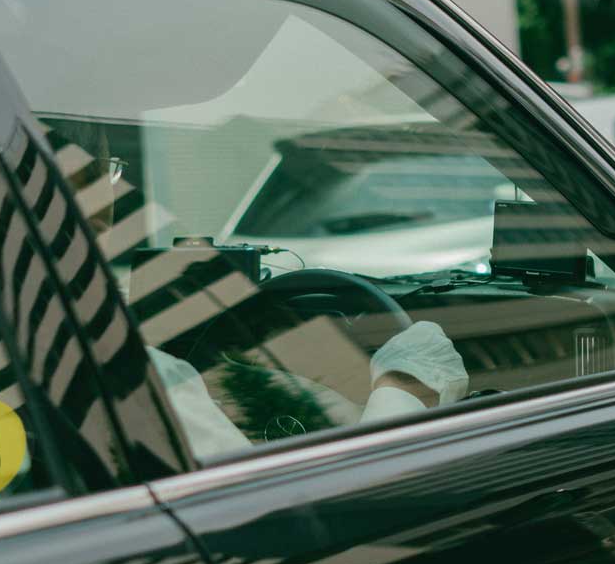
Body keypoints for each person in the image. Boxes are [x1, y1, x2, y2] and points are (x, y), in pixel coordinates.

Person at [49, 119, 469, 460]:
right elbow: (307, 506)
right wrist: (403, 388)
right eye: (109, 169)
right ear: (82, 189)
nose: (113, 190)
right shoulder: (131, 377)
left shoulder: (16, 351)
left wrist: (217, 393)